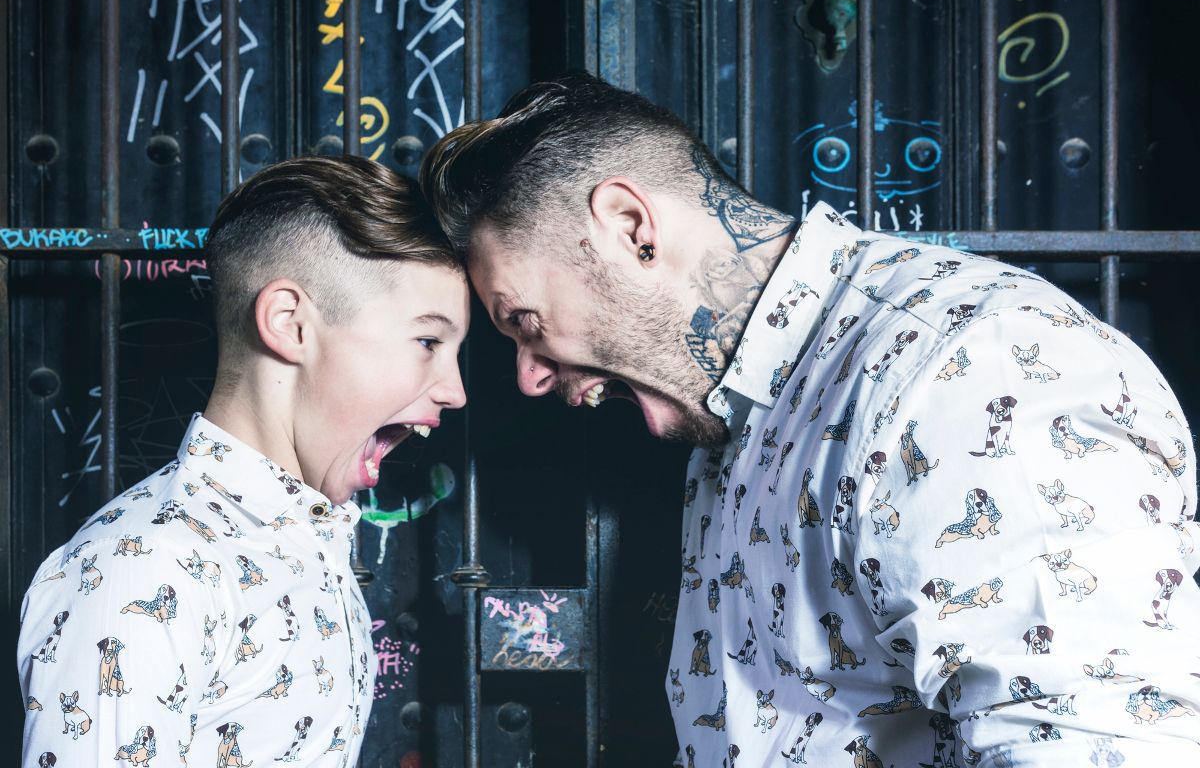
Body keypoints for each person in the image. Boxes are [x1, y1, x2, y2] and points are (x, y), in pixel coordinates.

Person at [420, 72, 1200, 765]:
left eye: (524, 320)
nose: (529, 376)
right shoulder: (742, 416)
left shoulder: (966, 370)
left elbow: (1100, 744)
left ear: (631, 228)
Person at [17, 156, 468, 766]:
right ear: (289, 324)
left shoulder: (309, 544)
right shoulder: (145, 568)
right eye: (428, 341)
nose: (454, 391)